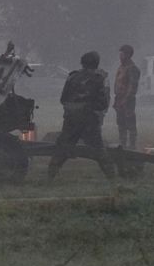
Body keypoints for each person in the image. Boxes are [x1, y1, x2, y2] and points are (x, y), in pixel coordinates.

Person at [47, 51, 116, 181]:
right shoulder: (98, 79)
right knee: (99, 150)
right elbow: (102, 104)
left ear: (82, 62)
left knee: (63, 147)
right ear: (96, 64)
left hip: (71, 119)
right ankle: (111, 177)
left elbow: (63, 98)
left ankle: (51, 175)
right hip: (89, 120)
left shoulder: (72, 77)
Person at [113, 44, 141, 150]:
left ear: (128, 55)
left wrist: (125, 99)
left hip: (128, 100)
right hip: (119, 98)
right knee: (121, 122)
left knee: (130, 122)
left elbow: (132, 86)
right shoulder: (121, 67)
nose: (120, 56)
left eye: (122, 54)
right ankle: (123, 143)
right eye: (120, 54)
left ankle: (132, 144)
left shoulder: (132, 68)